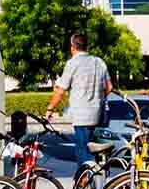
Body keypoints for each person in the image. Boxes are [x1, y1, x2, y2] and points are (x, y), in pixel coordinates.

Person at [45, 32, 113, 175]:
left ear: (72, 47)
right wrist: (97, 98)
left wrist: (50, 109)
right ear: (87, 46)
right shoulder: (99, 62)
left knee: (83, 151)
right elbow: (109, 87)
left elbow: (60, 91)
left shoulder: (72, 63)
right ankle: (99, 178)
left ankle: (86, 180)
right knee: (96, 149)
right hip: (98, 115)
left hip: (81, 116)